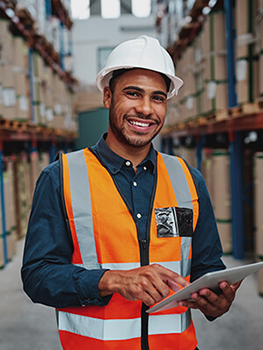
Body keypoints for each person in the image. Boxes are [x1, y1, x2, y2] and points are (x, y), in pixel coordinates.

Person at [21, 35, 241, 350]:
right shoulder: (61, 177)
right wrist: (111, 280)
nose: (145, 109)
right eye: (133, 94)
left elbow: (207, 266)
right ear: (108, 96)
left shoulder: (188, 180)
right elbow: (37, 277)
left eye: (158, 98)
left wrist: (216, 299)